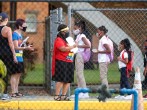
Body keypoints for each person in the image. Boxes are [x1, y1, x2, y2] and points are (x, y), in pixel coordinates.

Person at [52, 24, 76, 101]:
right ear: (62, 32)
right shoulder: (58, 40)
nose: (68, 33)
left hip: (69, 60)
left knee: (68, 79)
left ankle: (63, 95)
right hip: (61, 61)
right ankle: (56, 95)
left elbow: (70, 47)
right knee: (61, 79)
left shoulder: (67, 40)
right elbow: (62, 48)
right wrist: (72, 47)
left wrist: (73, 47)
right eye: (66, 31)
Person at [11, 19, 34, 97]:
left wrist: (27, 47)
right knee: (14, 75)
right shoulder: (15, 34)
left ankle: (16, 91)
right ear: (20, 26)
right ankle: (13, 92)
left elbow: (20, 46)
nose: (25, 26)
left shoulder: (20, 35)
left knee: (18, 75)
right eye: (24, 25)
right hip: (15, 57)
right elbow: (15, 47)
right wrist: (26, 48)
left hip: (20, 57)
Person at [0, 12, 17, 100]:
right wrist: (14, 55)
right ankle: (4, 94)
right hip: (6, 54)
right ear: (6, 20)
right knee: (5, 73)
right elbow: (11, 43)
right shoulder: (7, 29)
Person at [71, 20, 91, 98]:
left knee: (80, 74)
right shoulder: (79, 36)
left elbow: (88, 45)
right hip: (77, 55)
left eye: (75, 28)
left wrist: (78, 46)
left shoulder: (82, 36)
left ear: (80, 28)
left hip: (80, 55)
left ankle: (85, 92)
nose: (74, 29)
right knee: (78, 74)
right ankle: (80, 91)